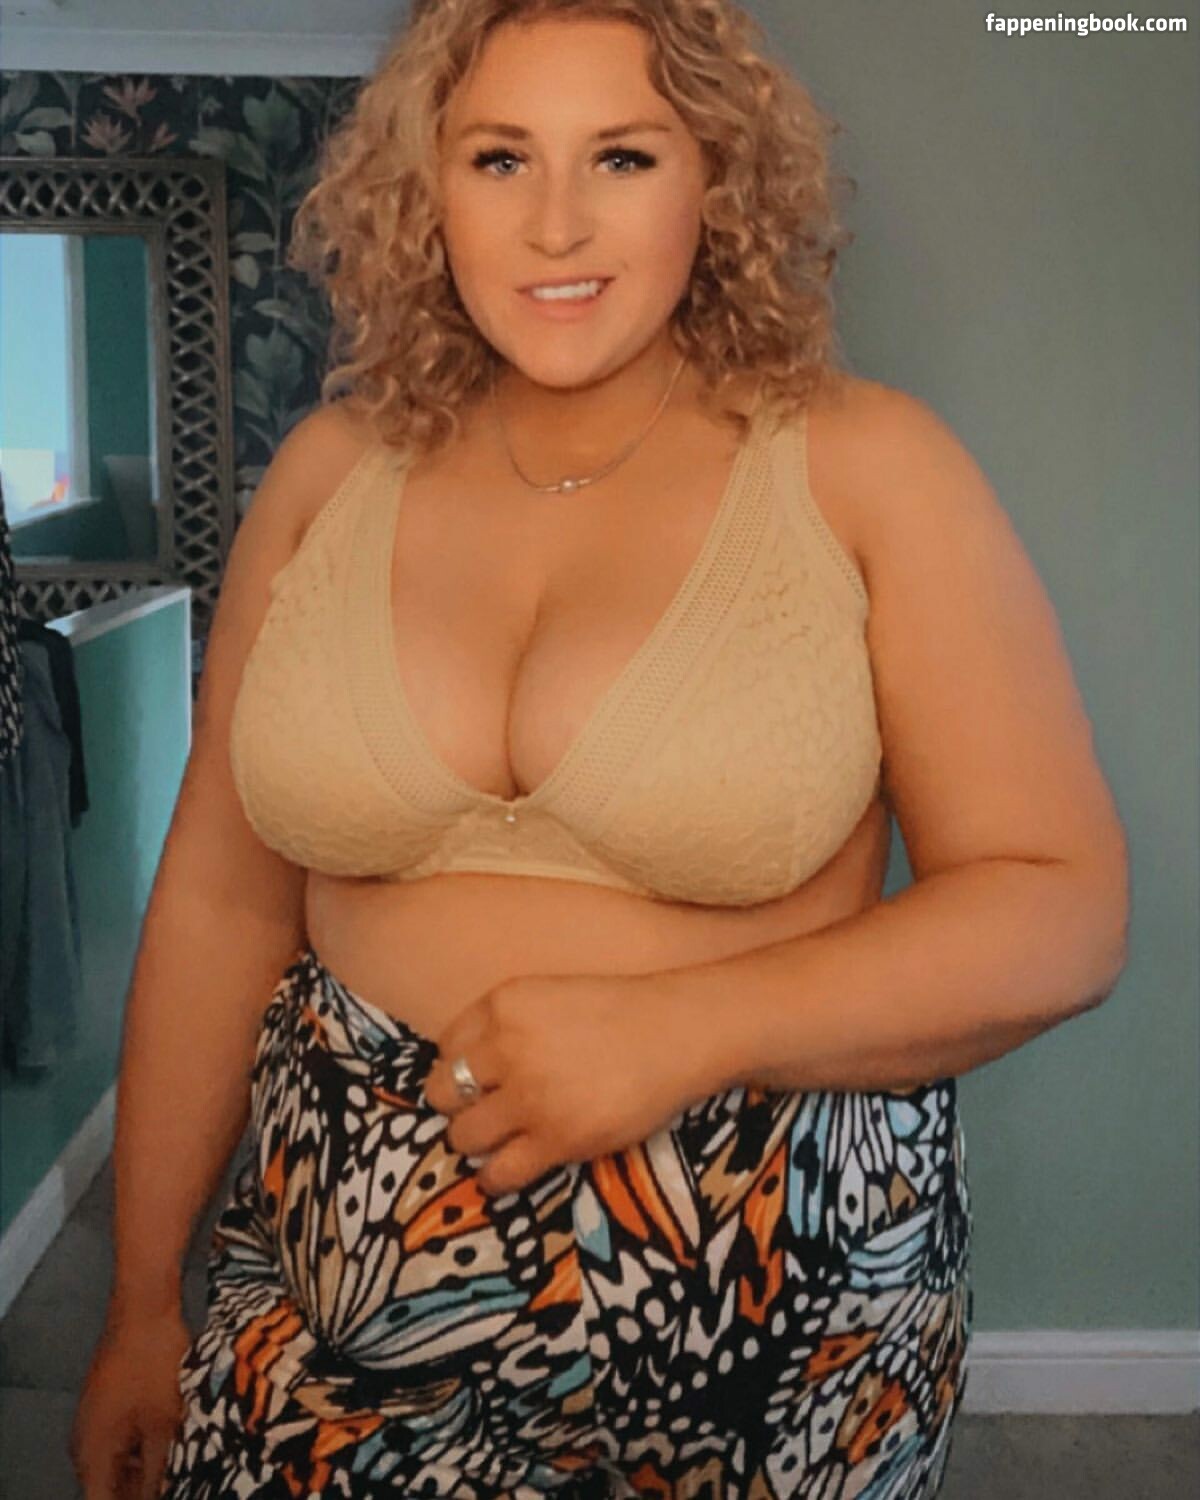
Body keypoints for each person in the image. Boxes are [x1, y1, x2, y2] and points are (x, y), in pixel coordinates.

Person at [70, 2, 1130, 1497]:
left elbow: (1061, 909)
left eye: (622, 157)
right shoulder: (325, 477)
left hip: (773, 1320)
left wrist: (681, 1031)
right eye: (500, 158)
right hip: (327, 1303)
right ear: (427, 188)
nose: (555, 223)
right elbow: (219, 904)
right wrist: (138, 1301)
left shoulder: (868, 465)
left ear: (718, 181)